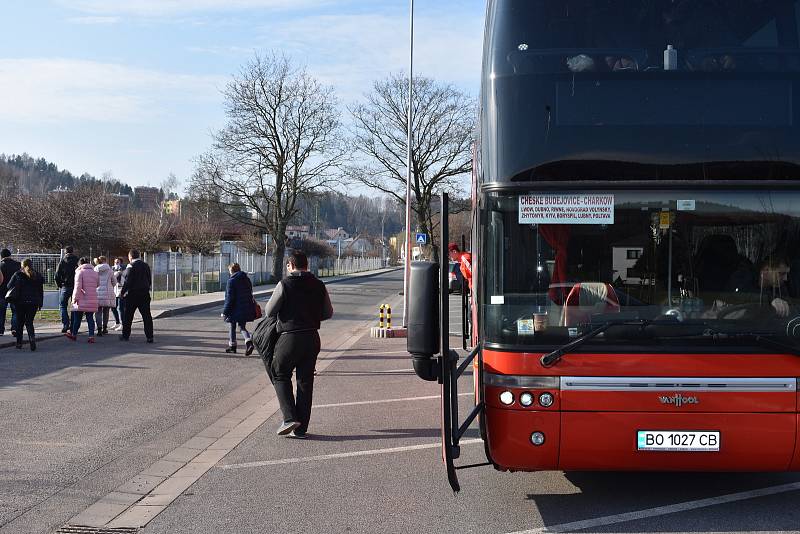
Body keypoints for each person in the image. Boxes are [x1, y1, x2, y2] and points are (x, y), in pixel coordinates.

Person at [265, 251, 333, 438]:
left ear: (290, 265)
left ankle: (289, 418)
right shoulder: (319, 285)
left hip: (289, 337)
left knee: (280, 373)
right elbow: (328, 313)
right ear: (307, 264)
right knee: (305, 381)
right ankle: (301, 429)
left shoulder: (285, 284)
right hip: (312, 337)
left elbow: (269, 311)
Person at [5, 259, 43, 350]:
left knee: (20, 323)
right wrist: (40, 303)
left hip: (20, 302)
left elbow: (9, 286)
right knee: (29, 322)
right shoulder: (37, 275)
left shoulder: (18, 274)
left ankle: (19, 343)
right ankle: (32, 340)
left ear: (22, 265)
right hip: (33, 302)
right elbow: (40, 291)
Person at [222, 263, 256, 355]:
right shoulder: (246, 279)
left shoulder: (231, 281)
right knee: (242, 327)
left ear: (231, 270)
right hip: (245, 307)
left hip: (234, 308)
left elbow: (230, 298)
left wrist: (225, 311)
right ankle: (248, 342)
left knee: (232, 326)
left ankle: (232, 346)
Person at [120, 249, 153, 343]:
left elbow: (128, 281)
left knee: (128, 316)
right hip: (144, 293)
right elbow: (149, 279)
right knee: (147, 316)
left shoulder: (131, 266)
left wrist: (122, 292)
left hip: (133, 294)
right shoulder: (145, 265)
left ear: (130, 256)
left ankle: (125, 335)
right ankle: (149, 336)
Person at [67, 257, 99, 343]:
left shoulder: (79, 272)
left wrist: (74, 299)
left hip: (81, 298)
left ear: (80, 264)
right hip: (92, 297)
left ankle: (74, 334)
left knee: (77, 318)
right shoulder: (95, 273)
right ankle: (91, 336)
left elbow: (77, 287)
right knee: (90, 318)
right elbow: (97, 284)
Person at [55, 246, 79, 334]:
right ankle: (73, 325)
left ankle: (65, 324)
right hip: (76, 285)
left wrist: (59, 285)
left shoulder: (62, 261)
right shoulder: (77, 260)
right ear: (73, 251)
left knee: (63, 305)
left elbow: (57, 275)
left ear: (65, 252)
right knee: (74, 306)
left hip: (65, 285)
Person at [0, 248, 21, 337]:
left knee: (1, 312)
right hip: (14, 291)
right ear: (10, 255)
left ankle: (0, 330)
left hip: (1, 292)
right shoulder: (18, 265)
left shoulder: (0, 266)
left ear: (1, 256)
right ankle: (14, 328)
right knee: (15, 311)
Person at [94, 256, 117, 336]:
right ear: (105, 261)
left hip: (97, 292)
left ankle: (99, 329)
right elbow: (114, 281)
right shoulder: (109, 270)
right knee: (106, 311)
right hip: (107, 293)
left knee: (98, 312)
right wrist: (111, 286)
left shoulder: (95, 269)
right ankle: (105, 328)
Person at [112, 257, 125, 331]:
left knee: (120, 308)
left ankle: (122, 324)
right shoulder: (113, 270)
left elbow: (116, 276)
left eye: (118, 262)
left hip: (121, 291)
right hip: (114, 291)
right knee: (113, 307)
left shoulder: (123, 270)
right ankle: (117, 322)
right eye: (115, 262)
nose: (116, 264)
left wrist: (119, 271)